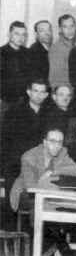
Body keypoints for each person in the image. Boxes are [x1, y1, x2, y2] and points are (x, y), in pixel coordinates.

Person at [1, 79, 49, 229]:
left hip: (39, 165)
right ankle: (10, 238)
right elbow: (5, 140)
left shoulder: (50, 114)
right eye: (35, 91)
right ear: (28, 92)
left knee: (36, 204)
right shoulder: (14, 112)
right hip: (16, 164)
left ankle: (35, 234)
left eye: (42, 92)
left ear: (47, 94)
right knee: (11, 206)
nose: (39, 95)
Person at [10, 128, 76, 212]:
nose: (57, 145)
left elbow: (74, 169)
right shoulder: (29, 157)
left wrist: (51, 172)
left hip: (50, 191)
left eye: (60, 142)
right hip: (25, 194)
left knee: (71, 201)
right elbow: (31, 187)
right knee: (45, 202)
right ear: (45, 142)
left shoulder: (62, 152)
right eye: (52, 141)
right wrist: (50, 184)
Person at [0, 21, 29, 105]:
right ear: (9, 34)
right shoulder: (1, 52)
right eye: (17, 34)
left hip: (24, 100)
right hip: (6, 101)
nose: (21, 37)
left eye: (23, 34)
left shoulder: (27, 53)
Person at [48, 14, 76, 88]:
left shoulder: (73, 47)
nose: (69, 30)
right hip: (64, 94)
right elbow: (55, 80)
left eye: (72, 26)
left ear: (75, 27)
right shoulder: (57, 49)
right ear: (60, 29)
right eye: (65, 27)